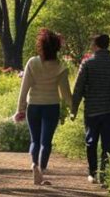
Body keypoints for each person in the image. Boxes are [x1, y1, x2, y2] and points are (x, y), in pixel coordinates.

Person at [14, 28, 72, 185]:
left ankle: (34, 164)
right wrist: (73, 108)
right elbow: (65, 93)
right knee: (46, 142)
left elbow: (24, 88)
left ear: (41, 46)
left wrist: (20, 109)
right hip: (52, 106)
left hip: (34, 106)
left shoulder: (32, 63)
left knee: (35, 140)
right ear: (57, 48)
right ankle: (41, 170)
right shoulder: (60, 66)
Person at [70, 33, 110, 185]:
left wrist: (73, 109)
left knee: (91, 142)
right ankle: (105, 176)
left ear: (96, 46)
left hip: (92, 111)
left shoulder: (87, 64)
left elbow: (78, 89)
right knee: (108, 145)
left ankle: (92, 172)